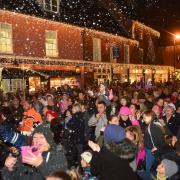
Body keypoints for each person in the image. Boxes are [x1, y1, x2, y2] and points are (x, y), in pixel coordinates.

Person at [2, 125, 68, 180]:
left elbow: (59, 178)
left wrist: (40, 164)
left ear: (49, 140)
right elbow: (9, 177)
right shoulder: (28, 152)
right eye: (35, 137)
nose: (37, 140)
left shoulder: (58, 155)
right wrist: (9, 168)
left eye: (42, 137)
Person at [143, 110, 165, 179]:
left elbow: (160, 140)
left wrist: (157, 148)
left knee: (148, 165)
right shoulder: (155, 123)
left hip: (151, 150)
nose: (143, 120)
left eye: (144, 117)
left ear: (150, 117)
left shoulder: (152, 127)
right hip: (149, 148)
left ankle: (147, 177)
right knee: (151, 164)